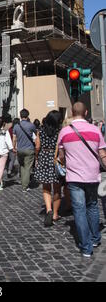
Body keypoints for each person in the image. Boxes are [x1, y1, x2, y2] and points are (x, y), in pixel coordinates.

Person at [58, 102, 106, 257]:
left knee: (79, 211)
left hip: (74, 177)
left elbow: (61, 156)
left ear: (72, 112)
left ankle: (86, 248)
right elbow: (102, 155)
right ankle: (95, 239)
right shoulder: (95, 130)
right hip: (92, 176)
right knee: (92, 206)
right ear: (86, 112)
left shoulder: (64, 132)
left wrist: (68, 161)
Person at [34, 110, 63, 227]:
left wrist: (37, 156)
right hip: (55, 159)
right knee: (57, 188)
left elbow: (37, 146)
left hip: (43, 157)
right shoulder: (59, 131)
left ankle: (48, 210)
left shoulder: (40, 131)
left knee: (46, 186)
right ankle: (55, 214)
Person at [13, 109, 37, 192]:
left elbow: (14, 138)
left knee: (22, 167)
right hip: (29, 149)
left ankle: (23, 183)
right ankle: (25, 186)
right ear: (28, 115)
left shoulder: (16, 126)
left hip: (20, 149)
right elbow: (37, 135)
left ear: (20, 115)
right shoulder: (31, 125)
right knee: (27, 168)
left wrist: (14, 147)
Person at [4, 113, 17, 178]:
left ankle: (7, 169)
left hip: (5, 144)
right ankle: (9, 171)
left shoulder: (3, 125)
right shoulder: (12, 126)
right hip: (11, 144)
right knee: (12, 159)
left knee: (7, 158)